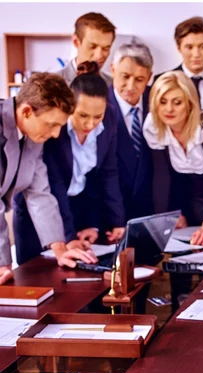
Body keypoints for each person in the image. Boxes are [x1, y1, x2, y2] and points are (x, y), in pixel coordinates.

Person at [14, 62, 126, 264]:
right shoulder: (51, 128)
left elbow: (104, 174)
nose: (90, 124)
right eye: (82, 115)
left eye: (97, 117)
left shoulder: (109, 119)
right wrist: (66, 237)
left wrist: (111, 222)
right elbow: (50, 186)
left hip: (73, 212)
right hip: (40, 217)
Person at [1, 73, 97, 283]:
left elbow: (39, 194)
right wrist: (2, 262)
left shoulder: (33, 136)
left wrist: (60, 248)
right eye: (51, 124)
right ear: (26, 111)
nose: (55, 134)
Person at [143, 71, 203, 245]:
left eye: (177, 102)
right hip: (188, 205)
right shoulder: (153, 125)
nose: (169, 109)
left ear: (190, 103)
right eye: (163, 102)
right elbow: (162, 177)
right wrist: (164, 219)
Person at [109, 42, 155, 220]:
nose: (130, 86)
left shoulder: (160, 103)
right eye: (125, 76)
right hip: (111, 218)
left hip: (152, 213)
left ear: (149, 77)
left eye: (139, 79)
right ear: (113, 69)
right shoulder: (97, 108)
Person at [57, 12, 116, 85]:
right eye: (92, 47)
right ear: (76, 42)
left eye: (105, 48)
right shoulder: (53, 84)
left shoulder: (113, 85)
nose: (99, 55)